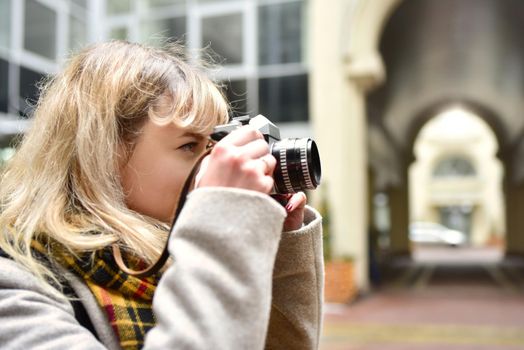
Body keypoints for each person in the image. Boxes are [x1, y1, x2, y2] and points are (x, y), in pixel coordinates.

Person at [0, 40, 323, 349]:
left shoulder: (176, 255)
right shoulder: (14, 285)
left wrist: (279, 248)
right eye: (190, 146)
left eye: (215, 144)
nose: (215, 162)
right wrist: (222, 219)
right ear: (102, 154)